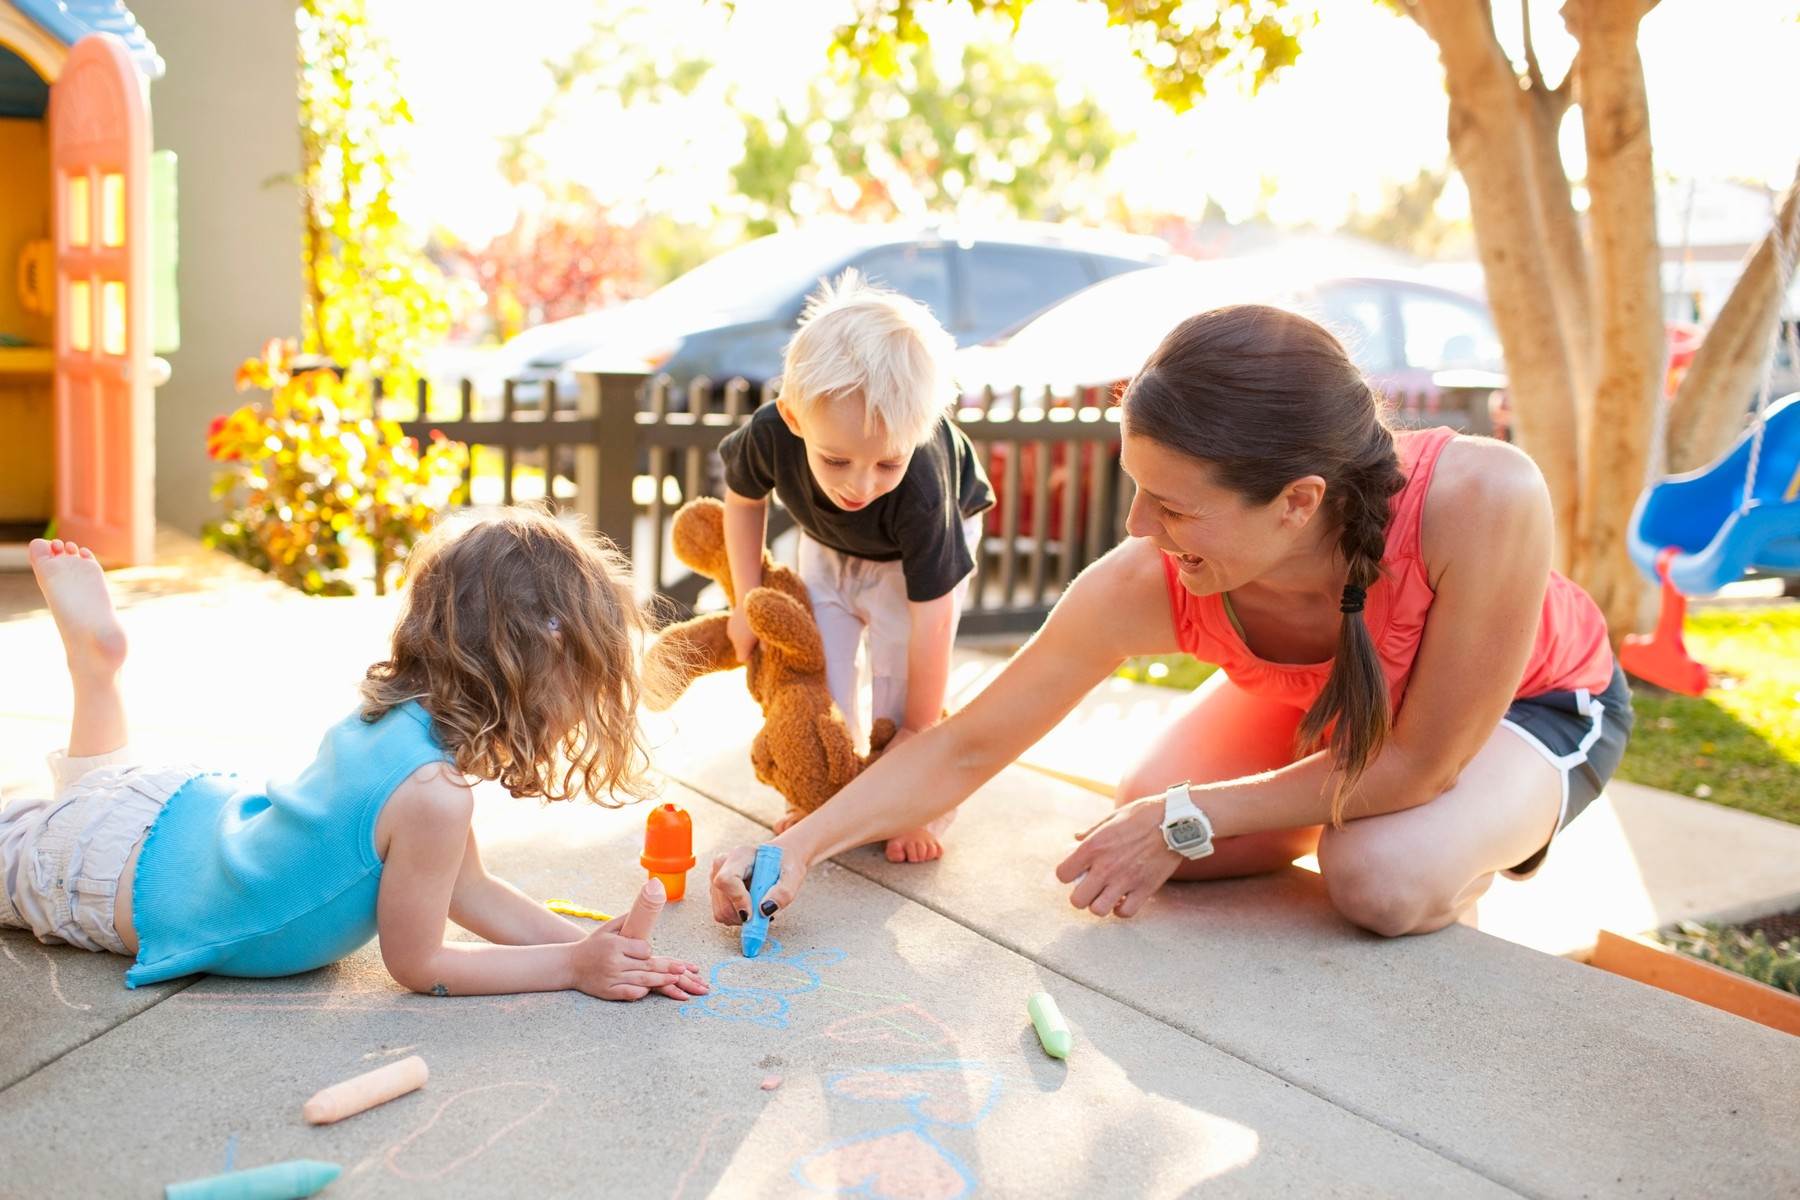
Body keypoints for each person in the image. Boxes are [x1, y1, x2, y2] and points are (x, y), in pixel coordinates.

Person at [711, 303, 1632, 937]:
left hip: (1528, 707)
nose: (1137, 529)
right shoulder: (1145, 580)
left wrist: (1190, 813)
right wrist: (794, 849)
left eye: (1174, 506)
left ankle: (1446, 858)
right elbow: (962, 747)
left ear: (1297, 502)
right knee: (1142, 830)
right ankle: (1345, 801)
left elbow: (1421, 761)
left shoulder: (1486, 498)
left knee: (1377, 877)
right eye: (1137, 490)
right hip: (1336, 708)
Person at [1, 517, 709, 1001]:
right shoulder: (435, 792)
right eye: (582, 687)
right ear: (532, 675)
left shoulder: (408, 724)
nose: (582, 709)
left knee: (87, 806)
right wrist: (571, 967)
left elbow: (469, 891)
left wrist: (591, 946)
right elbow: (418, 964)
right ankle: (94, 676)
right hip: (130, 882)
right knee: (52, 839)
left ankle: (96, 675)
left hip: (166, 821)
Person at [716, 269, 993, 862]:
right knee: (826, 680)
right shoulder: (772, 433)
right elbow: (741, 500)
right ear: (794, 420)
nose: (861, 484)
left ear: (914, 440)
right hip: (828, 543)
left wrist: (917, 736)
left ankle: (921, 801)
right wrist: (744, 602)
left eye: (884, 464)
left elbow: (933, 622)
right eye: (836, 460)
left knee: (899, 688)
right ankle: (830, 795)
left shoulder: (920, 485)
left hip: (913, 562)